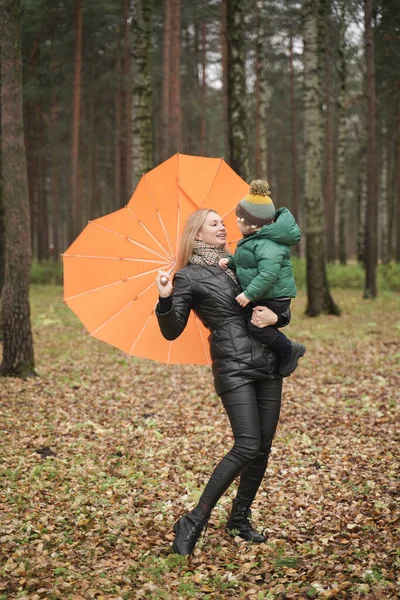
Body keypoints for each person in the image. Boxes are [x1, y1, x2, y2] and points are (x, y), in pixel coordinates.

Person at [155, 208, 287, 556]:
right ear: (197, 235)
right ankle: (194, 519)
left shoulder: (241, 264)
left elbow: (278, 300)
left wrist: (278, 315)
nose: (222, 226)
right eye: (214, 223)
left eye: (222, 222)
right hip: (233, 365)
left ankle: (239, 520)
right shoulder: (187, 277)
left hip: (268, 358)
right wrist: (165, 298)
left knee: (263, 447)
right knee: (246, 444)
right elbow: (172, 331)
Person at [219, 180, 305, 377]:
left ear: (252, 224)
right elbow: (247, 263)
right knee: (255, 324)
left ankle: (288, 349)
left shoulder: (268, 244)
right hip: (267, 295)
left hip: (275, 297)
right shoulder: (253, 241)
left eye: (239, 219)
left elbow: (268, 274)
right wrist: (230, 261)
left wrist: (248, 294)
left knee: (256, 326)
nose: (236, 222)